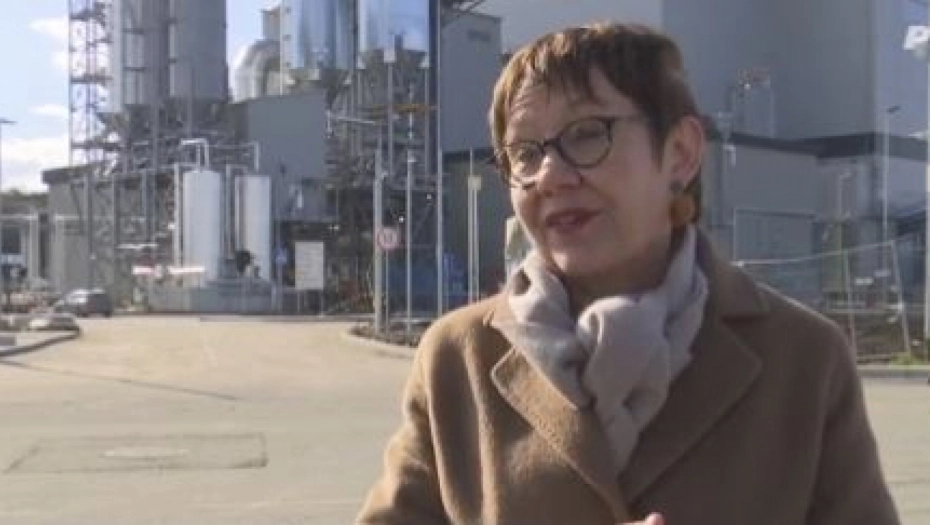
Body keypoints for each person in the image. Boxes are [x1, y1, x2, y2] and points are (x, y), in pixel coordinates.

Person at [357, 22, 899, 525]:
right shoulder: (458, 358)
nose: (550, 175)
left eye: (587, 133)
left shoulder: (804, 360)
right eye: (524, 152)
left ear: (680, 152)